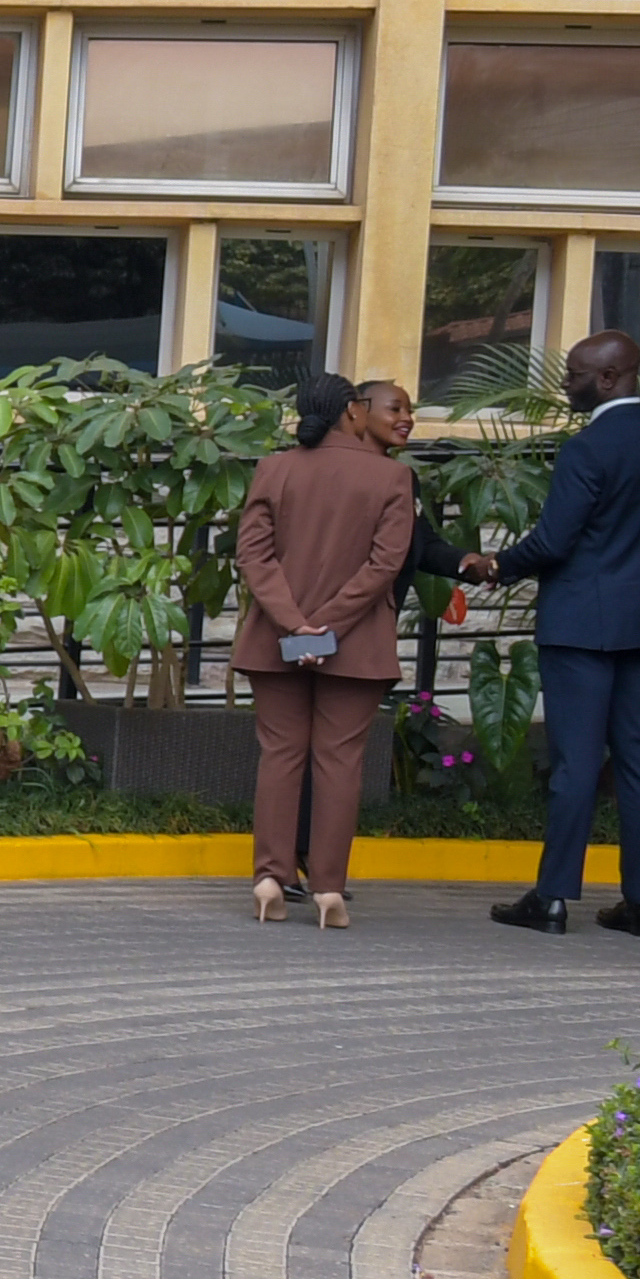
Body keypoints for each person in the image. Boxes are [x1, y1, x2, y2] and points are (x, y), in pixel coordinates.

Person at [475, 328, 640, 940]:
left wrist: (497, 566)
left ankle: (551, 899)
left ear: (609, 377)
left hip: (580, 624)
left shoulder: (587, 448)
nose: (566, 384)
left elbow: (554, 541)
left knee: (576, 762)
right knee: (638, 755)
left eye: (574, 374)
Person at [230, 376, 417, 931]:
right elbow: (385, 566)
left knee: (281, 755)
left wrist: (295, 624)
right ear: (352, 412)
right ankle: (329, 889)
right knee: (339, 762)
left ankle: (270, 878)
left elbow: (253, 557)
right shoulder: (391, 477)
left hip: (275, 640)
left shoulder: (275, 469)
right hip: (356, 645)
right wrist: (326, 627)